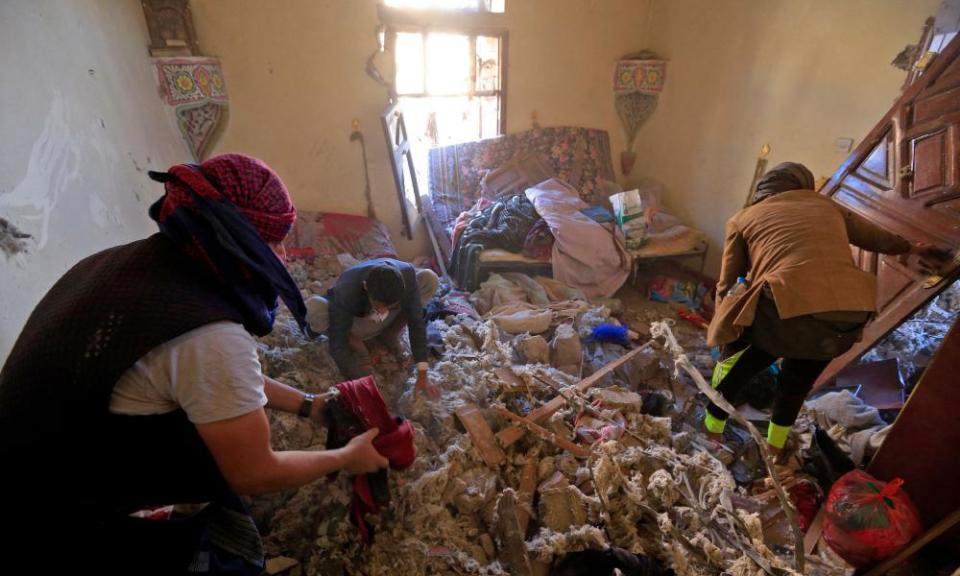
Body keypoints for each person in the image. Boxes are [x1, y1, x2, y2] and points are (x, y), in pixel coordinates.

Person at [0, 154, 389, 573]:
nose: (285, 255)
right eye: (274, 242)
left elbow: (214, 378)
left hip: (40, 454)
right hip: (56, 514)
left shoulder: (137, 261)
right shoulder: (209, 335)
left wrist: (308, 404)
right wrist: (346, 457)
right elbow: (254, 473)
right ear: (236, 240)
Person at [704, 162, 947, 454]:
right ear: (803, 185)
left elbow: (728, 283)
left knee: (741, 365)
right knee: (796, 384)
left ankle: (712, 432)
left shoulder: (743, 218)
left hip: (787, 309)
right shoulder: (826, 205)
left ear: (765, 190)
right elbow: (877, 238)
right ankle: (774, 450)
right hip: (849, 313)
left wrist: (724, 328)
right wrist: (913, 247)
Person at [305, 258, 440, 398]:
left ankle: (390, 334)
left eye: (390, 305)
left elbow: (416, 322)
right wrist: (360, 375)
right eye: (379, 305)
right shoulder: (347, 289)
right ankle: (357, 343)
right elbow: (338, 346)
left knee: (428, 279)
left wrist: (423, 375)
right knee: (314, 307)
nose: (382, 311)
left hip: (389, 319)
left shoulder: (407, 275)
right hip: (355, 323)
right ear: (365, 286)